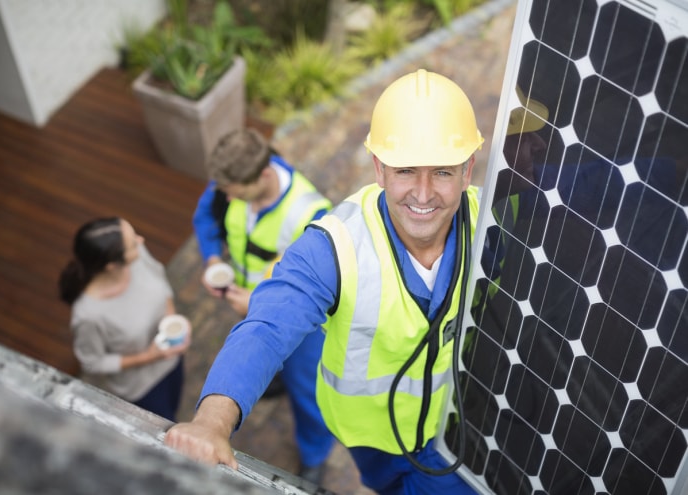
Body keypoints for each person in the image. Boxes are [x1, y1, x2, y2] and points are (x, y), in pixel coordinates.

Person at [166, 69, 483, 495]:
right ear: (379, 169)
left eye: (443, 172)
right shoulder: (333, 246)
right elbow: (267, 328)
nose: (423, 194)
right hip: (371, 436)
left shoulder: (494, 223)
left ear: (468, 171)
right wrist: (211, 422)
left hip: (455, 428)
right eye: (406, 170)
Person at [191, 128, 335, 483]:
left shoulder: (311, 215)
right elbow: (206, 216)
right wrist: (211, 259)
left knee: (309, 393)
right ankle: (275, 377)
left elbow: (315, 289)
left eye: (232, 192)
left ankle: (315, 455)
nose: (225, 196)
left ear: (264, 175)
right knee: (266, 361)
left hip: (303, 328)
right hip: (249, 303)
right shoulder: (233, 181)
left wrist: (256, 304)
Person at [58, 217, 190, 422]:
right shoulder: (88, 315)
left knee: (175, 403)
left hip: (171, 359)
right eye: (133, 243)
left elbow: (159, 276)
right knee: (165, 426)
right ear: (111, 265)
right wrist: (149, 356)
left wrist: (172, 320)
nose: (141, 240)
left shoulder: (137, 256)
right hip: (142, 388)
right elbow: (93, 363)